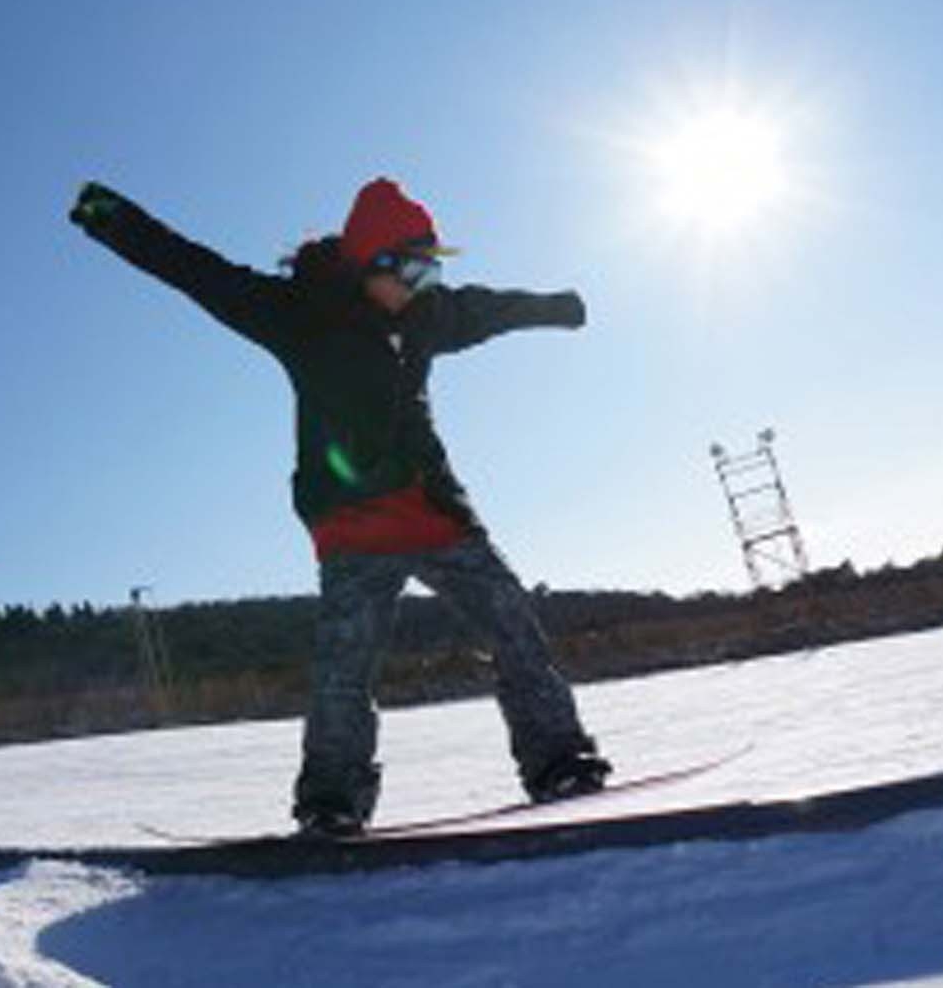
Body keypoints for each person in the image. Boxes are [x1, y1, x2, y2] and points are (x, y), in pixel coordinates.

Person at [69, 176, 610, 837]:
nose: (424, 284)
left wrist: (559, 307)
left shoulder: (424, 317)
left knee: (512, 622)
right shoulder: (299, 314)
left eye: (432, 270)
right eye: (413, 268)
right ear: (370, 262)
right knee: (343, 670)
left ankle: (559, 759)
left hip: (436, 511)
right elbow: (195, 269)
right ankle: (332, 798)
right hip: (353, 527)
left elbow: (487, 308)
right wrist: (110, 216)